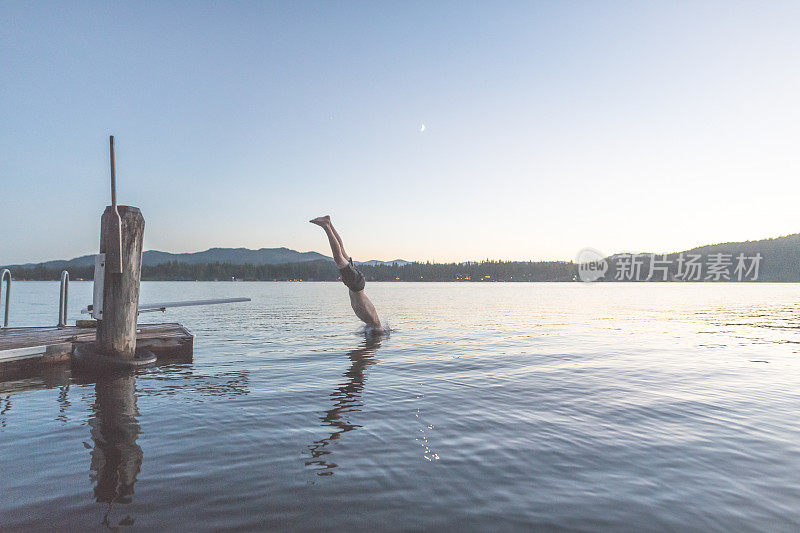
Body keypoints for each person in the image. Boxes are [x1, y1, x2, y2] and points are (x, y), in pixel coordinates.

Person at [310, 216, 382, 331]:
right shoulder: (375, 324)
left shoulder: (373, 321)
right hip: (355, 285)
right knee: (338, 257)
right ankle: (326, 227)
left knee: (342, 251)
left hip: (357, 283)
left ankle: (329, 223)